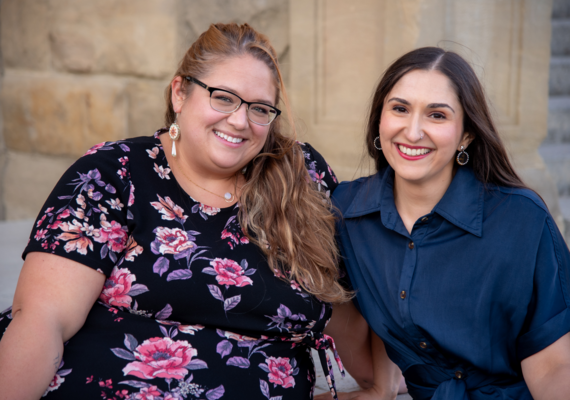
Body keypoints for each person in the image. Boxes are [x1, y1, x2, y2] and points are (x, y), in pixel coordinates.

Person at [0, 23, 351, 400]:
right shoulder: (115, 173)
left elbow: (354, 297)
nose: (239, 120)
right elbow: (41, 322)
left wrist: (384, 383)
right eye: (223, 97)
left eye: (259, 108)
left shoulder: (301, 176)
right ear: (180, 92)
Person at [325, 47, 570, 400]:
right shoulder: (348, 212)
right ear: (380, 118)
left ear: (466, 135)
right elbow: (377, 297)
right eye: (400, 109)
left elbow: (554, 368)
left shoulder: (522, 220)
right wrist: (381, 387)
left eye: (437, 115)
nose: (413, 131)